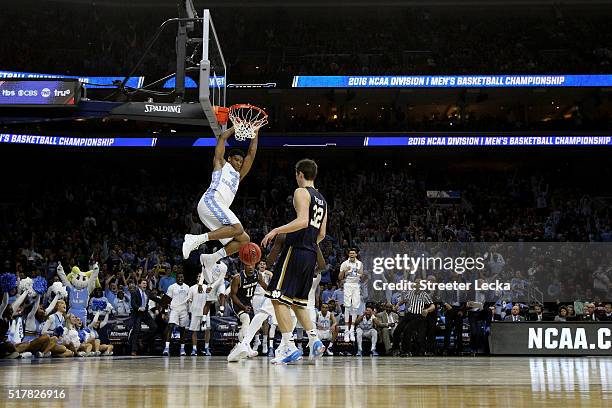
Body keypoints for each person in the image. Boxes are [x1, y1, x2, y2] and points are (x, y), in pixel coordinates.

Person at [261, 158, 328, 364]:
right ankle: (315, 340)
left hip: (296, 251)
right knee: (298, 302)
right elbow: (322, 234)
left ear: (300, 174)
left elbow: (302, 221)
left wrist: (276, 230)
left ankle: (289, 346)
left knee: (277, 297)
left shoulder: (301, 192)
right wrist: (308, 241)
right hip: (309, 253)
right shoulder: (323, 200)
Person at [183, 127, 259, 269]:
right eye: (236, 160)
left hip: (215, 209)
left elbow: (251, 154)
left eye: (240, 162)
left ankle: (211, 259)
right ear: (229, 158)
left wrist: (255, 132)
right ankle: (195, 239)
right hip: (210, 201)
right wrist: (235, 128)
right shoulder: (221, 164)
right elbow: (222, 138)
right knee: (237, 228)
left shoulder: (238, 176)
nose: (239, 163)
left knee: (244, 240)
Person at [338, 249, 364, 342]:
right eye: (350, 253)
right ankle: (346, 331)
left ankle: (352, 330)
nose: (352, 254)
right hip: (348, 284)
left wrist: (357, 273)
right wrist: (345, 271)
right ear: (348, 254)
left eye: (353, 253)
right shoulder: (344, 263)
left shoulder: (360, 263)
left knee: (355, 307)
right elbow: (340, 277)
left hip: (356, 285)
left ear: (356, 254)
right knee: (347, 306)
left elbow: (362, 275)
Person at [163, 272, 190, 356]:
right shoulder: (172, 287)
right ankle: (166, 348)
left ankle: (182, 349)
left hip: (184, 310)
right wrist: (166, 312)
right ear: (176, 278)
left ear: (184, 278)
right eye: (178, 277)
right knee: (170, 326)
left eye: (181, 277)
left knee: (183, 330)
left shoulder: (187, 287)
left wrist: (189, 311)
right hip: (174, 309)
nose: (180, 279)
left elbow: (189, 300)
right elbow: (166, 300)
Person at [130, 278, 158, 356]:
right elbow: (133, 303)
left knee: (154, 327)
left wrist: (165, 301)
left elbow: (155, 298)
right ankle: (134, 350)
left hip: (145, 313)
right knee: (136, 330)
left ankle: (142, 339)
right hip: (138, 313)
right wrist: (138, 308)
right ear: (139, 284)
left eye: (146, 283)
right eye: (143, 283)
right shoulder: (134, 292)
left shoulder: (147, 292)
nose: (145, 285)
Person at [187, 271, 209, 356]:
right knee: (194, 331)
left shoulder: (207, 287)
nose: (200, 278)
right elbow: (188, 298)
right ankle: (194, 349)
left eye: (202, 276)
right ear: (197, 278)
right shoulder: (192, 288)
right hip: (195, 312)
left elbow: (210, 300)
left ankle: (206, 348)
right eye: (199, 276)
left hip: (205, 312)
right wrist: (190, 301)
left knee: (207, 330)